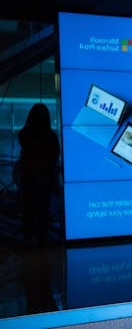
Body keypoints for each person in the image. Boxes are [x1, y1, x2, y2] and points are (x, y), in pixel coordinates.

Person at [18, 103, 60, 248]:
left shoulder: (25, 134)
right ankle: (42, 240)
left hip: (30, 178)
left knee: (29, 210)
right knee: (42, 210)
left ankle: (29, 239)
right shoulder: (51, 136)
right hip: (44, 179)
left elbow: (27, 148)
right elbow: (55, 154)